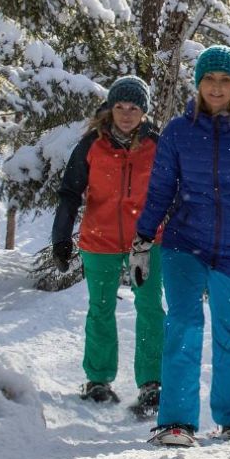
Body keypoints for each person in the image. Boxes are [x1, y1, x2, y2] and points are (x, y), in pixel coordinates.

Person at [131, 45, 230, 447]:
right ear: (198, 83)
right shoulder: (178, 131)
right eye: (209, 79)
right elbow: (159, 191)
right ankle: (176, 423)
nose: (216, 87)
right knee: (183, 326)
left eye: (225, 80)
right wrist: (141, 240)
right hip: (184, 244)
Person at [51, 76, 167, 416]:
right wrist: (61, 237)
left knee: (149, 309)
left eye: (134, 108)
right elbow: (70, 193)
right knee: (100, 307)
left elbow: (171, 193)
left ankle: (151, 383)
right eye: (120, 107)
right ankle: (98, 380)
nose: (127, 114)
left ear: (143, 112)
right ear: (110, 108)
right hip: (99, 240)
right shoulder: (92, 145)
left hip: (146, 242)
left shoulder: (156, 146)